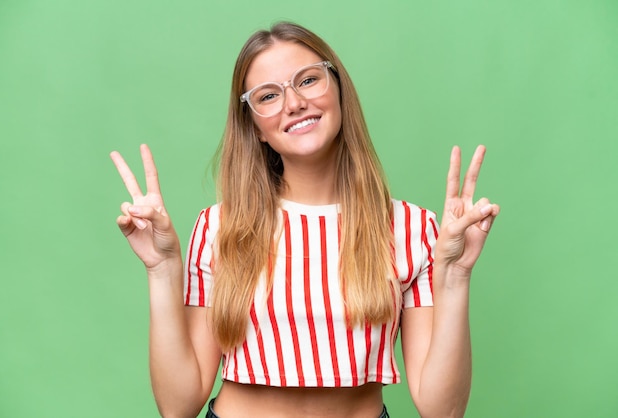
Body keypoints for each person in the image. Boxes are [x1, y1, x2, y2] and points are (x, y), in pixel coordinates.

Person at [110, 21, 500, 418]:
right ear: (255, 127)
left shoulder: (413, 228)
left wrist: (456, 277)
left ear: (339, 90)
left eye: (308, 80)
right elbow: (178, 405)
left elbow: (443, 411)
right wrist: (161, 270)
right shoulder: (218, 228)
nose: (293, 103)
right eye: (268, 95)